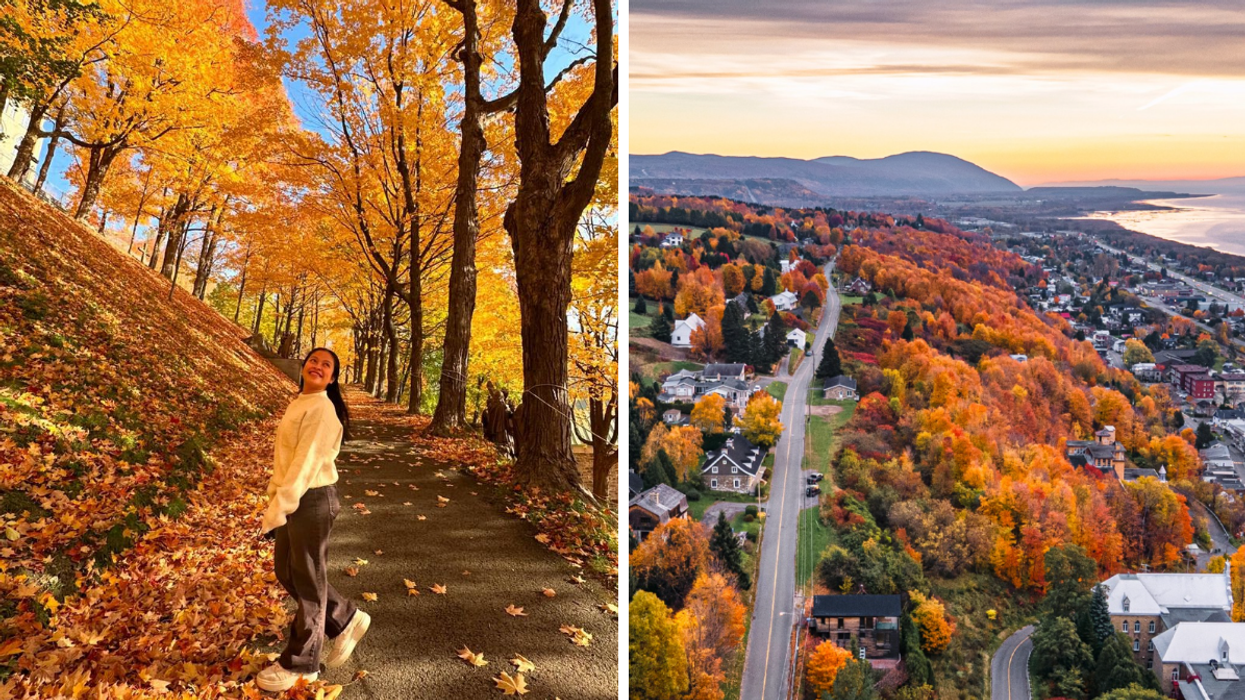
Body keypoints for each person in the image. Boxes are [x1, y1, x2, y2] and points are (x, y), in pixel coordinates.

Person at [256, 347, 370, 692]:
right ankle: (345, 617)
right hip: (297, 496)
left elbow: (304, 465)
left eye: (327, 365)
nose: (318, 366)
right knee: (287, 571)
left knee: (307, 580)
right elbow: (288, 460)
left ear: (333, 378)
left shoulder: (322, 409)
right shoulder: (301, 401)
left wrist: (280, 506)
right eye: (313, 361)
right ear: (304, 367)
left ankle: (302, 664)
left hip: (312, 498)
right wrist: (277, 498)